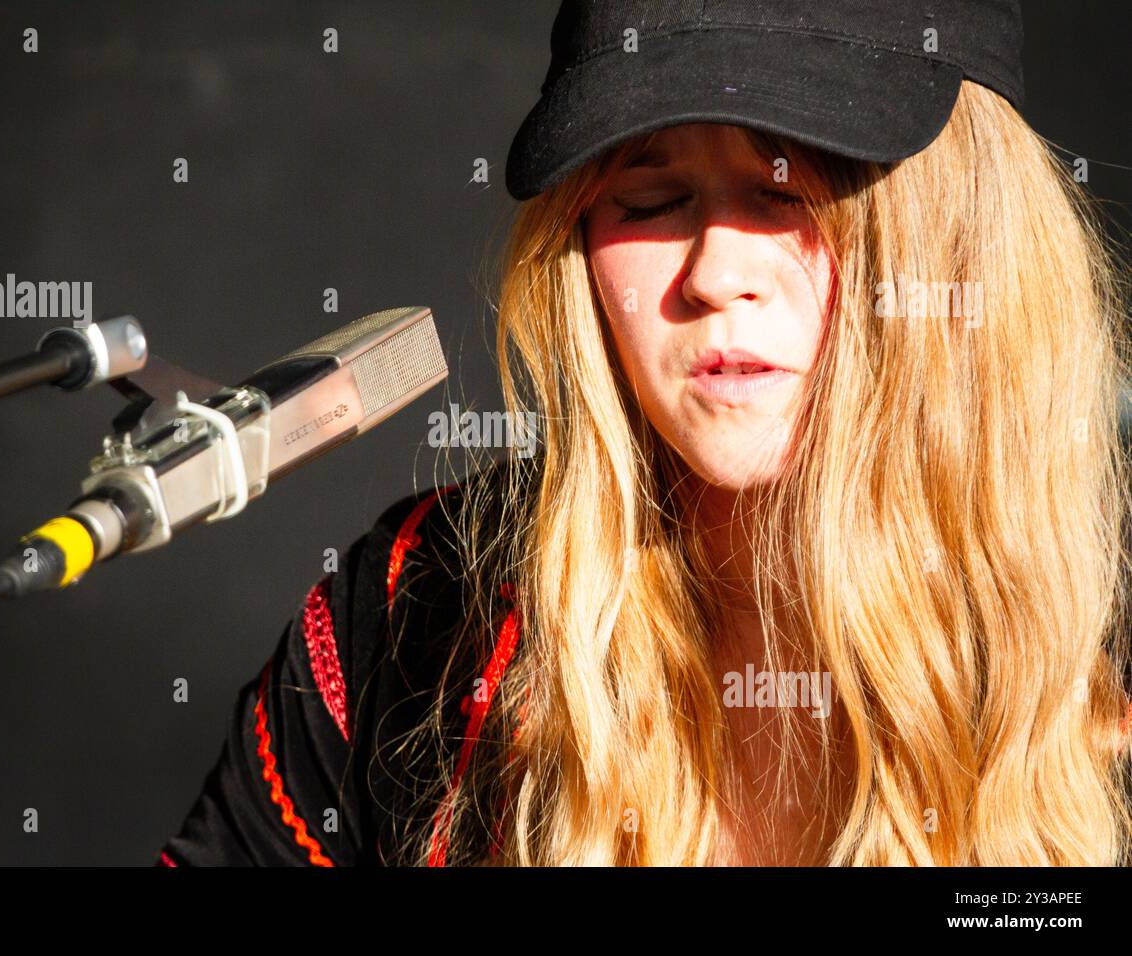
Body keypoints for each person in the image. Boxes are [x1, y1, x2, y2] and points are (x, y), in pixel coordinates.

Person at [157, 0, 1132, 866]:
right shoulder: (422, 608)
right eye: (650, 199)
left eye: (787, 190)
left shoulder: (1103, 650)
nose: (713, 271)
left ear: (964, 230)